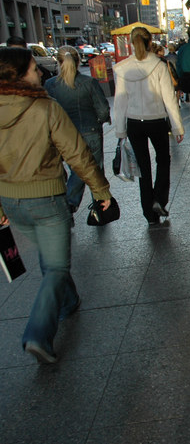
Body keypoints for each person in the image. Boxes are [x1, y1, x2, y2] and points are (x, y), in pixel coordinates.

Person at [0, 46, 113, 363]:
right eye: (34, 68)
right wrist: (101, 191)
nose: (40, 73)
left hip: (11, 202)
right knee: (56, 267)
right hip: (46, 200)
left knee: (52, 258)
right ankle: (38, 333)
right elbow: (77, 153)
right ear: (21, 76)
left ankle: (69, 301)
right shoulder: (45, 108)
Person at [113, 26, 184, 225]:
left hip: (134, 123)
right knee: (163, 160)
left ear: (130, 43)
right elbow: (169, 99)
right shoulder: (159, 66)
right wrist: (178, 127)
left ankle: (148, 212)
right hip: (157, 121)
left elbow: (119, 102)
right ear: (150, 42)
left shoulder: (123, 68)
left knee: (143, 168)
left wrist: (120, 131)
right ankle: (159, 200)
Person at [45, 46, 110, 213]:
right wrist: (99, 121)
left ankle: (71, 203)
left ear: (59, 62)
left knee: (73, 168)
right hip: (89, 130)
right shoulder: (89, 83)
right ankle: (96, 205)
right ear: (78, 60)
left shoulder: (51, 85)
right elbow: (102, 109)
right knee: (93, 168)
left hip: (61, 133)